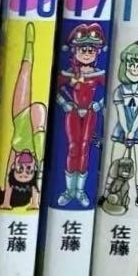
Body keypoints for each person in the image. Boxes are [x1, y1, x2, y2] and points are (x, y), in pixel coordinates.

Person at [0, 23, 47, 211]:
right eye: (28, 171)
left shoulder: (15, 151)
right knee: (39, 110)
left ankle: (28, 46)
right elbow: (36, 182)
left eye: (20, 170)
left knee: (25, 72)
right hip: (36, 123)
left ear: (14, 168)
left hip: (19, 116)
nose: (24, 168)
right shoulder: (37, 158)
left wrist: (6, 202)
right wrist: (35, 202)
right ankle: (39, 129)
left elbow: (6, 179)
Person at [55, 22, 106, 206]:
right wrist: (65, 103)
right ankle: (69, 190)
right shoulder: (68, 74)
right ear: (75, 51)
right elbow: (57, 88)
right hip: (74, 113)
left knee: (85, 147)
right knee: (73, 147)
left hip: (90, 114)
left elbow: (111, 91)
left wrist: (99, 104)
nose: (86, 54)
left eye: (91, 50)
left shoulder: (98, 74)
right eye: (82, 49)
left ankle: (80, 190)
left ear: (97, 52)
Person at [101, 40, 138, 211]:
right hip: (121, 129)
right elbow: (121, 113)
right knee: (114, 163)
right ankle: (105, 193)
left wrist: (133, 131)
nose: (135, 69)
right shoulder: (119, 90)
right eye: (131, 65)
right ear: (125, 66)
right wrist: (126, 131)